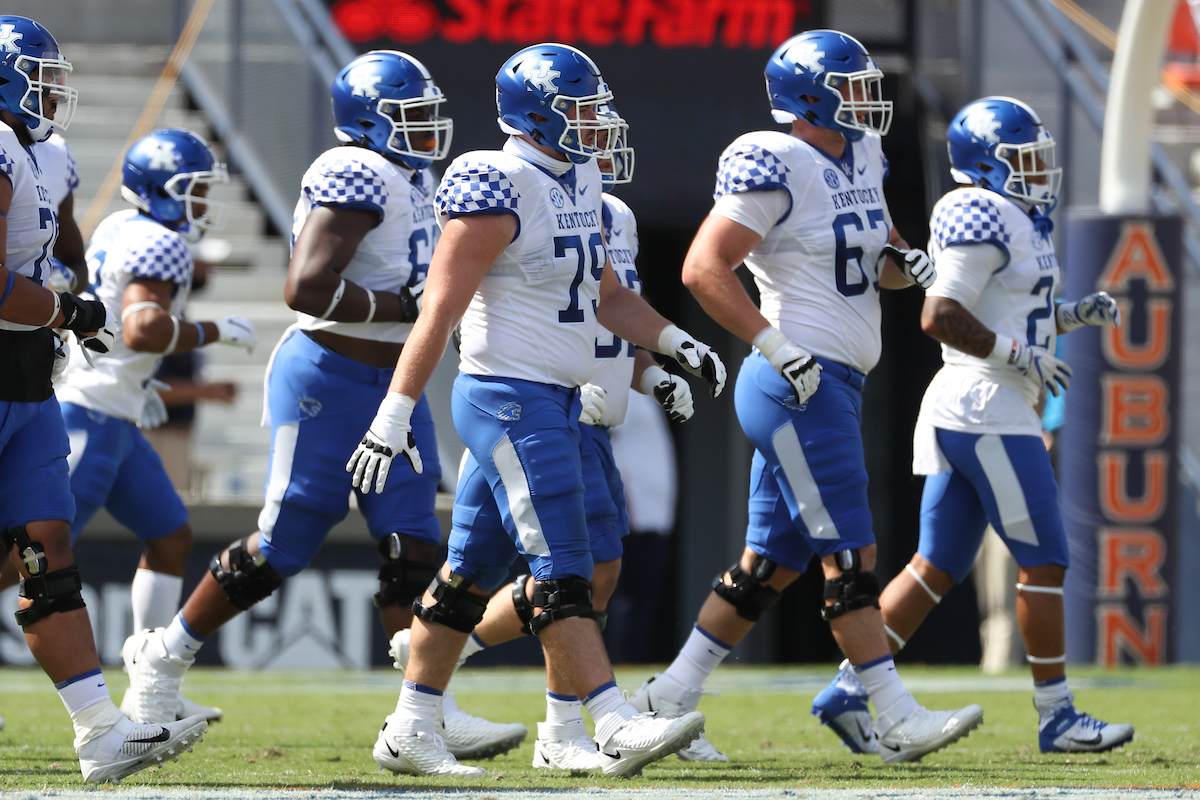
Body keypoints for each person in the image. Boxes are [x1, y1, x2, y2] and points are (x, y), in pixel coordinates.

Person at [117, 50, 521, 757]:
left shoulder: (410, 175)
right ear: (368, 122)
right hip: (327, 377)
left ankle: (424, 710)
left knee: (413, 544)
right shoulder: (354, 171)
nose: (426, 130)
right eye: (409, 117)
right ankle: (162, 664)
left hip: (393, 382)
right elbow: (305, 286)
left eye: (428, 116)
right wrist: (404, 304)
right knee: (283, 547)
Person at [346, 42, 726, 778]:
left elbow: (609, 295)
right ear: (535, 116)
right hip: (508, 397)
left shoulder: (581, 175)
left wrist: (677, 343)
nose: (596, 123)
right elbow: (437, 314)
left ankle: (411, 724)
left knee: (467, 573)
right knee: (563, 568)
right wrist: (393, 414)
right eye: (580, 110)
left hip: (561, 398)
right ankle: (609, 720)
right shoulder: (494, 183)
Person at [627, 29, 984, 764]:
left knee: (769, 564)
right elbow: (702, 268)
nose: (865, 96)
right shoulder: (774, 159)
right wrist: (772, 341)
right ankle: (890, 710)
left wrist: (907, 265)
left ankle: (668, 697)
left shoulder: (861, 154)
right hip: (797, 379)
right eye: (850, 84)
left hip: (836, 380)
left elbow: (872, 262)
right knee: (849, 550)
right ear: (810, 97)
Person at [813, 96, 1133, 755]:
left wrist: (1074, 317)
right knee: (1045, 560)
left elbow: (1014, 315)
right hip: (987, 407)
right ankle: (1058, 716)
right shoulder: (975, 210)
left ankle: (848, 688)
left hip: (986, 405)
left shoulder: (1015, 218)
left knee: (936, 566)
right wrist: (1021, 355)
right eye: (1023, 161)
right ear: (985, 165)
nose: (1038, 172)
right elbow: (940, 314)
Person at [0, 14, 208, 782]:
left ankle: (99, 731)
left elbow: (64, 254)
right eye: (39, 78)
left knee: (45, 548)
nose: (51, 95)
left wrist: (69, 299)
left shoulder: (40, 152)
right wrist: (63, 309)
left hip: (27, 375)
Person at [54, 128, 257, 725]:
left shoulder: (121, 226)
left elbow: (115, 324)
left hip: (114, 409)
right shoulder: (159, 243)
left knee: (171, 534)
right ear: (162, 192)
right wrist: (215, 331)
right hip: (90, 414)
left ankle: (150, 681)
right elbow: (142, 328)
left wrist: (141, 383)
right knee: (31, 558)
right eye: (192, 190)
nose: (200, 203)